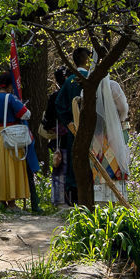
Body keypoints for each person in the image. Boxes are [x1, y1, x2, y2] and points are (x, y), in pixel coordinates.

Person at [74, 63, 132, 204]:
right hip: (113, 133)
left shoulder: (86, 89)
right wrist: (119, 120)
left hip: (94, 135)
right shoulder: (113, 87)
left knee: (96, 163)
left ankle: (97, 200)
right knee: (115, 160)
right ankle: (116, 199)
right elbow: (123, 108)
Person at [0, 70, 38, 208]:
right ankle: (12, 201)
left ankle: (1, 199)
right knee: (12, 166)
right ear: (8, 86)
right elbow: (26, 114)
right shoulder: (11, 98)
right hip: (11, 135)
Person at [47, 61, 82, 206]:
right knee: (74, 166)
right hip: (74, 133)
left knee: (60, 167)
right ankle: (76, 197)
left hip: (60, 138)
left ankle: (60, 199)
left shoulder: (55, 96)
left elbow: (48, 119)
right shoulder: (78, 88)